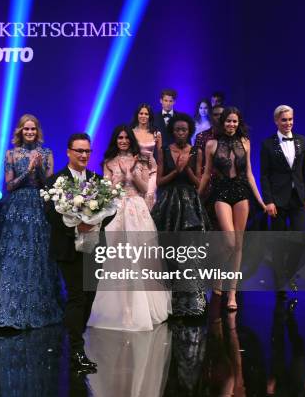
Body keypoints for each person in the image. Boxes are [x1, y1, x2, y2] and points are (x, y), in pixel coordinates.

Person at [0, 114, 63, 329]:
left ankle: (40, 306)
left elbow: (49, 184)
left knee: (38, 255)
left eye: (33, 129)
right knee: (15, 254)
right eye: (26, 129)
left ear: (37, 131)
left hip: (39, 205)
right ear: (20, 131)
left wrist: (38, 169)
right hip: (17, 206)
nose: (29, 132)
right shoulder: (11, 154)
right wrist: (28, 170)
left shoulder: (46, 153)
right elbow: (9, 186)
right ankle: (10, 306)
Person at [87, 125, 171, 331]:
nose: (123, 140)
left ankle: (142, 309)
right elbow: (105, 189)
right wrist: (119, 177)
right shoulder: (109, 162)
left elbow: (144, 189)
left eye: (126, 137)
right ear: (116, 140)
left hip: (137, 210)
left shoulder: (141, 160)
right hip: (116, 210)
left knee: (140, 260)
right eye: (120, 137)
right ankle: (124, 309)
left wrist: (132, 174)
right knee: (118, 261)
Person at [44, 133, 113, 374]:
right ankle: (77, 350)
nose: (84, 155)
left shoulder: (97, 180)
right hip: (68, 247)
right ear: (68, 152)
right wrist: (75, 224)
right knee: (77, 296)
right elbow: (51, 215)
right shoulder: (56, 181)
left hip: (94, 245)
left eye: (87, 151)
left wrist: (94, 221)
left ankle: (75, 339)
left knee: (90, 295)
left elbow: (111, 209)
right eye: (79, 151)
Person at [198, 107, 266, 310]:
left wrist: (261, 201)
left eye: (235, 122)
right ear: (223, 122)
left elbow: (250, 174)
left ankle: (232, 294)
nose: (231, 125)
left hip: (241, 192)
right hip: (221, 192)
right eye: (228, 121)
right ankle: (217, 278)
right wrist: (197, 197)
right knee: (229, 241)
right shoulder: (211, 144)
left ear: (239, 123)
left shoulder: (245, 143)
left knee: (238, 244)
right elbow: (206, 174)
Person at [151, 113, 211, 317]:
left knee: (190, 251)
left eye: (184, 130)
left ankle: (192, 301)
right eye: (177, 129)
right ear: (172, 131)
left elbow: (198, 183)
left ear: (189, 131)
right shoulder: (164, 150)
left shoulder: (197, 151)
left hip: (190, 203)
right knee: (169, 250)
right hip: (169, 203)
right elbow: (159, 181)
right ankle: (169, 301)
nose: (180, 133)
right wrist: (176, 171)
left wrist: (187, 169)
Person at [260, 105, 305, 292]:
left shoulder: (302, 141)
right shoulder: (267, 144)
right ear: (276, 121)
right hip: (277, 200)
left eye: (290, 119)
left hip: (298, 198)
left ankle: (290, 274)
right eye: (284, 120)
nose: (288, 123)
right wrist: (268, 201)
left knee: (299, 240)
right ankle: (278, 277)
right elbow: (264, 175)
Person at [130, 103, 161, 210]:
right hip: (136, 167)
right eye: (141, 113)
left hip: (152, 169)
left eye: (146, 114)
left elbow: (161, 153)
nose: (143, 116)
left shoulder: (156, 133)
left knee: (150, 195)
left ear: (150, 116)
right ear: (137, 115)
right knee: (138, 197)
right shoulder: (131, 132)